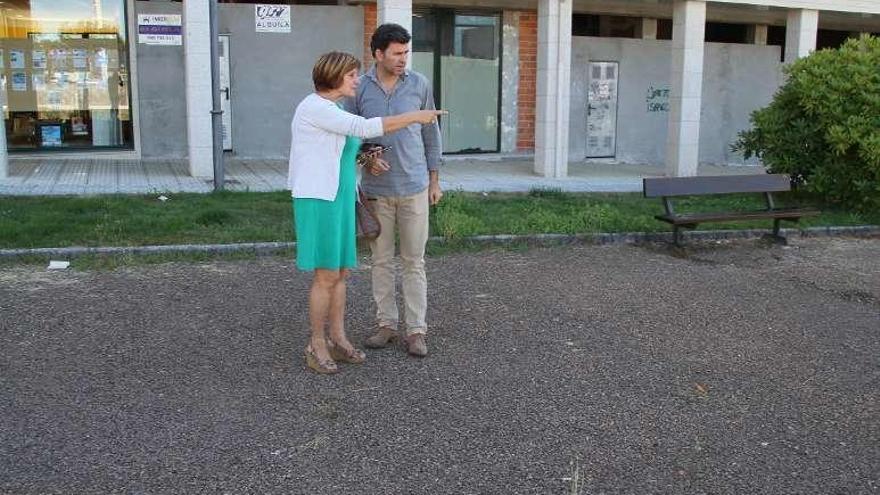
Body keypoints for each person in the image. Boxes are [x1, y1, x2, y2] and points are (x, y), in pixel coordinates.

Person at [288, 51, 444, 374]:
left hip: (341, 197)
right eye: (351, 76)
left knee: (342, 273)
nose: (357, 81)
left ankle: (339, 338)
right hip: (320, 201)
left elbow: (345, 150)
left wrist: (366, 158)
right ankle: (316, 344)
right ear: (333, 77)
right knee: (326, 275)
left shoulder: (334, 108)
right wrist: (416, 116)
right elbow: (365, 126)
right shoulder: (315, 108)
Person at [345, 23, 443, 358]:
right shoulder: (360, 88)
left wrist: (434, 180)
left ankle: (416, 330)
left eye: (406, 52)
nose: (403, 59)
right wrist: (365, 159)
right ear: (378, 53)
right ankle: (386, 324)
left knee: (414, 261)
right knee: (381, 261)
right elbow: (350, 135)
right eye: (397, 53)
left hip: (414, 186)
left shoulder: (419, 83)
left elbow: (431, 134)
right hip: (376, 191)